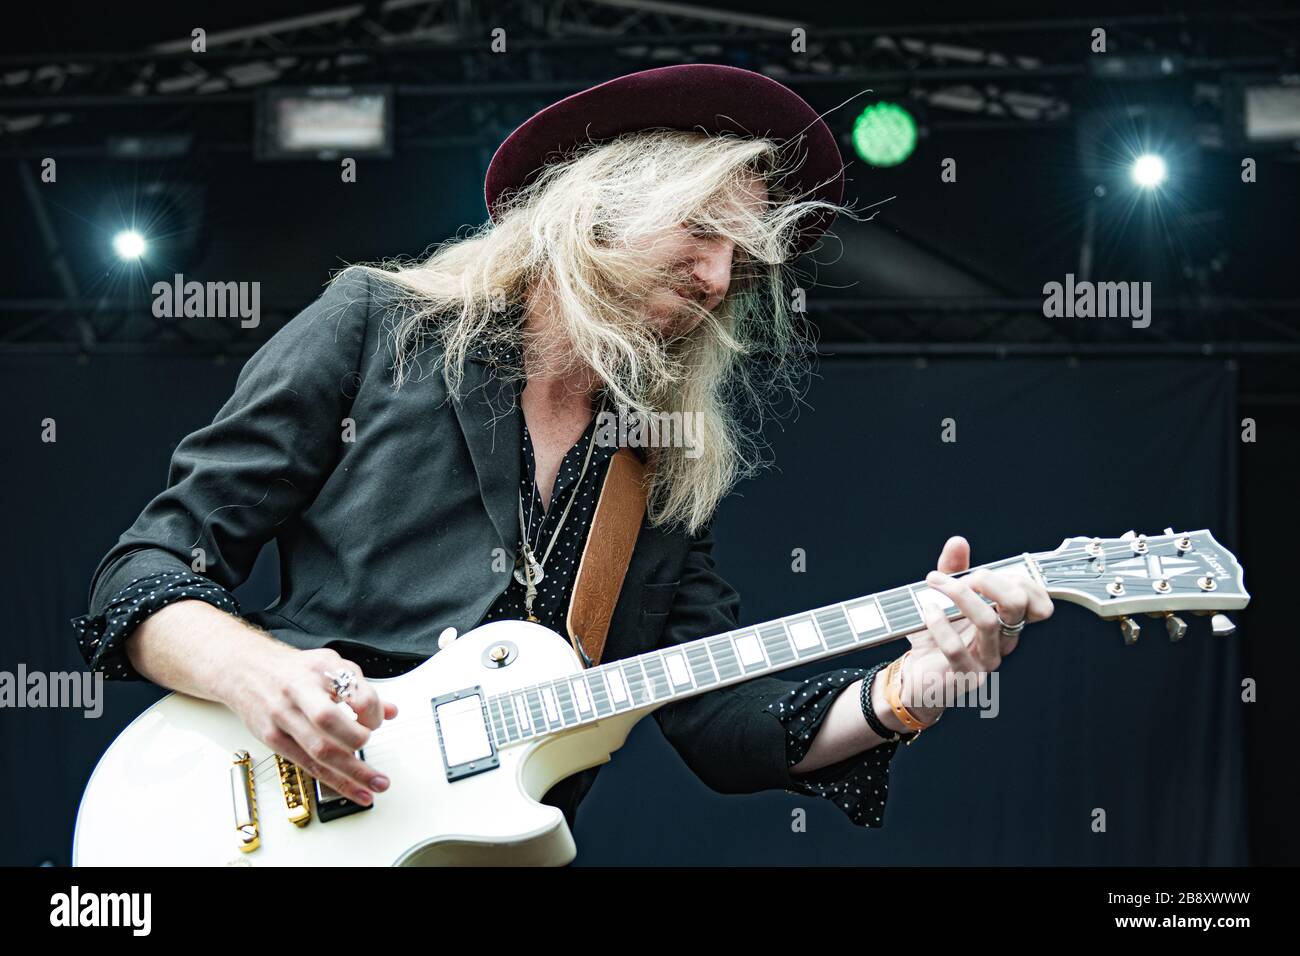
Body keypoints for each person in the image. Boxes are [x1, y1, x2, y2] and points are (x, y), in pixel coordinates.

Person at [72, 64, 1052, 838]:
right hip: (277, 817)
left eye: (742, 264)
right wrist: (256, 673)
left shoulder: (655, 458)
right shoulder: (377, 327)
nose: (719, 278)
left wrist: (910, 688)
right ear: (594, 205)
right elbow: (144, 571)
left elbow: (719, 723)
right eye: (704, 231)